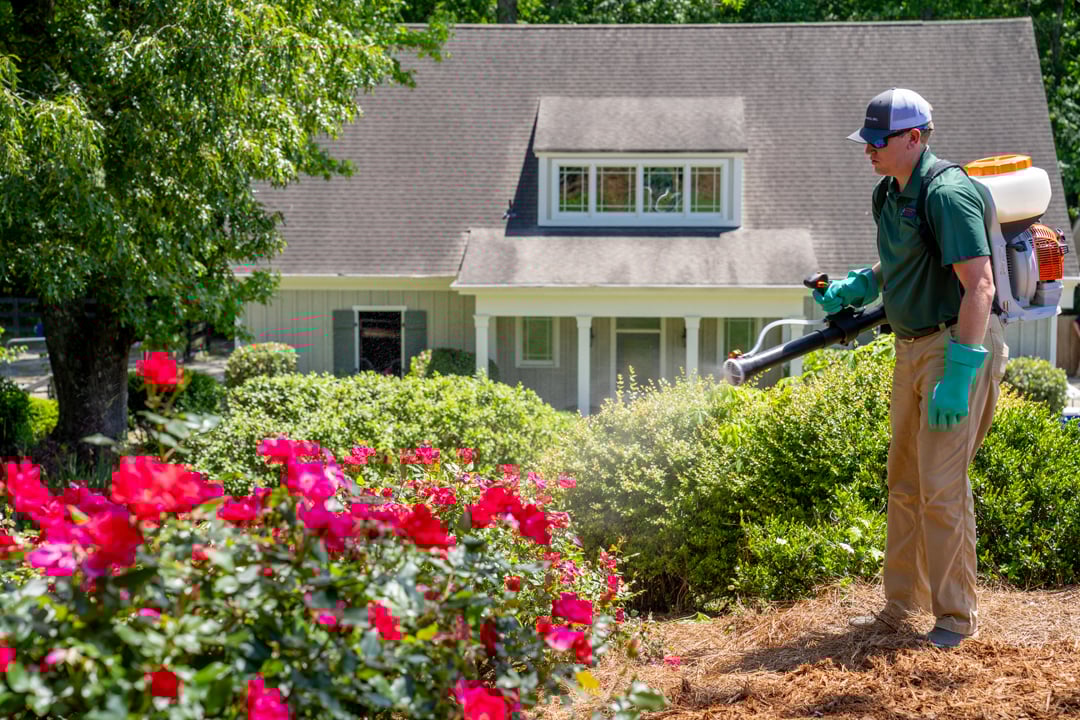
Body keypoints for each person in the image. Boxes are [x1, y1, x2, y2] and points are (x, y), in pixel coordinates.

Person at [815, 88, 1008, 649]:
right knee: (904, 483)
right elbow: (904, 255)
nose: (868, 149)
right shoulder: (888, 191)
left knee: (942, 489)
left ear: (914, 138)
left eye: (878, 140)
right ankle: (900, 607)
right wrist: (861, 283)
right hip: (909, 348)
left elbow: (981, 285)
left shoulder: (948, 193)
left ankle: (955, 619)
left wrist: (961, 372)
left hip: (956, 347)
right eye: (867, 140)